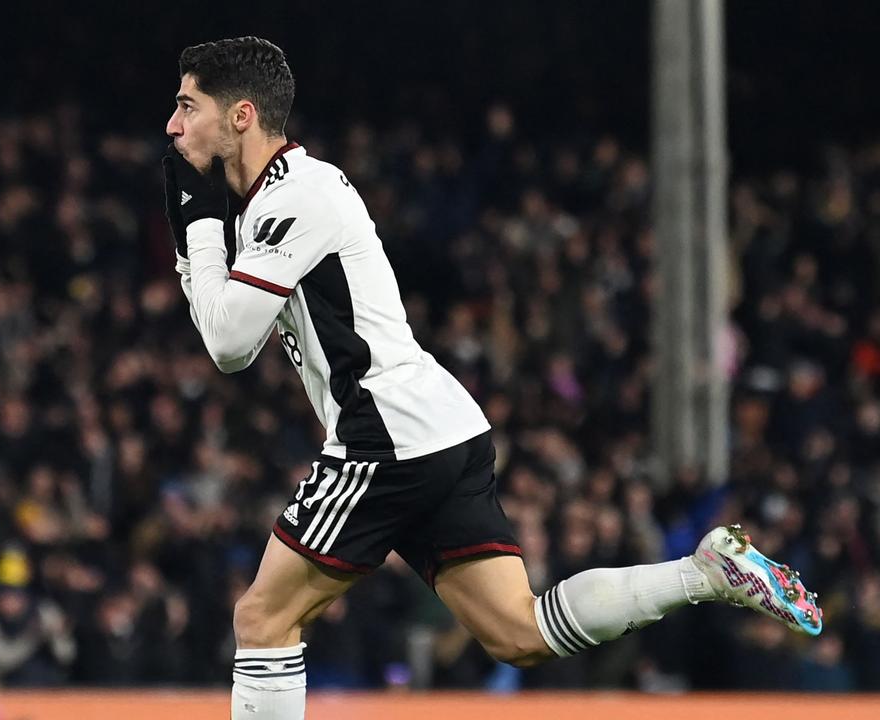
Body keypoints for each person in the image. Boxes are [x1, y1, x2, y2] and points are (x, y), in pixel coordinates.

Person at [161, 36, 823, 719]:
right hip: (440, 427)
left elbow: (228, 344)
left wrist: (196, 221)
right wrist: (205, 225)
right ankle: (704, 571)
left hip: (385, 438)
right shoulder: (287, 194)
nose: (174, 125)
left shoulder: (296, 195)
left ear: (241, 115)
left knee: (262, 620)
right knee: (520, 633)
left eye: (188, 106)